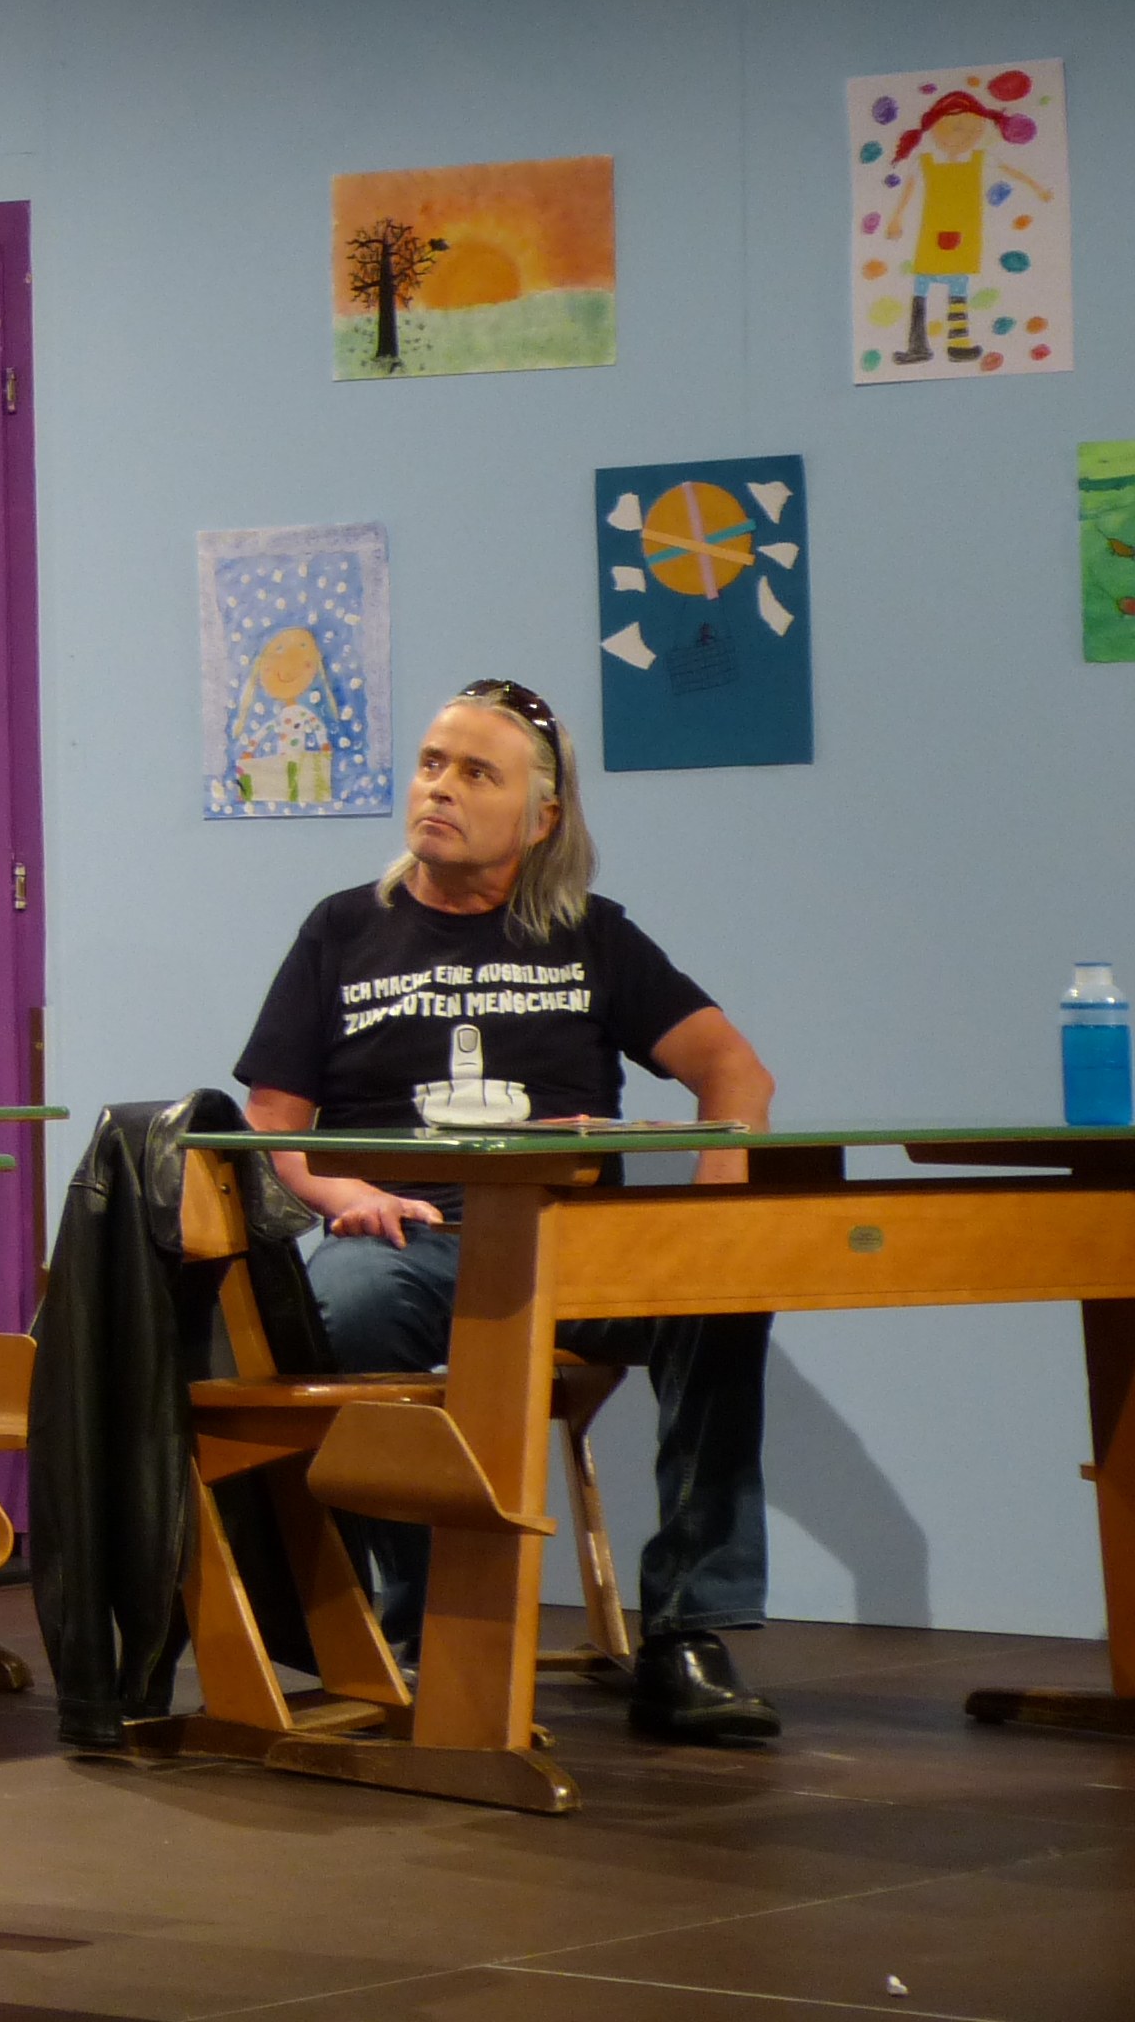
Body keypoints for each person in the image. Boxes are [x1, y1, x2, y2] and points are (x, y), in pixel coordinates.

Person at [236, 678, 784, 1742]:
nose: (438, 788)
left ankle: (686, 1632)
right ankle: (414, 1629)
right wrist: (344, 1192)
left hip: (569, 1254)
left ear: (540, 818)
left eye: (475, 773)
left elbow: (736, 1074)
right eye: (431, 764)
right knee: (352, 1302)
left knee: (724, 1297)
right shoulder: (343, 931)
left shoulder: (589, 937)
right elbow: (272, 1127)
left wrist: (715, 1215)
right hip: (411, 1243)